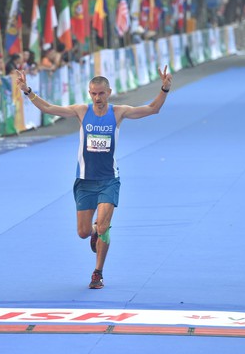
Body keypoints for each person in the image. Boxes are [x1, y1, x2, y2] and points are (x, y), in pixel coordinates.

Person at [15, 66, 173, 289]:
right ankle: (95, 232)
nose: (97, 98)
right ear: (89, 94)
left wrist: (164, 88)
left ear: (109, 92)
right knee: (83, 232)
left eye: (101, 93)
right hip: (85, 181)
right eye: (93, 93)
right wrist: (28, 91)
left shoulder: (119, 112)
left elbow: (152, 109)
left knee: (103, 227)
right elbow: (49, 108)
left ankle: (98, 272)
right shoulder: (81, 111)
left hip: (109, 179)